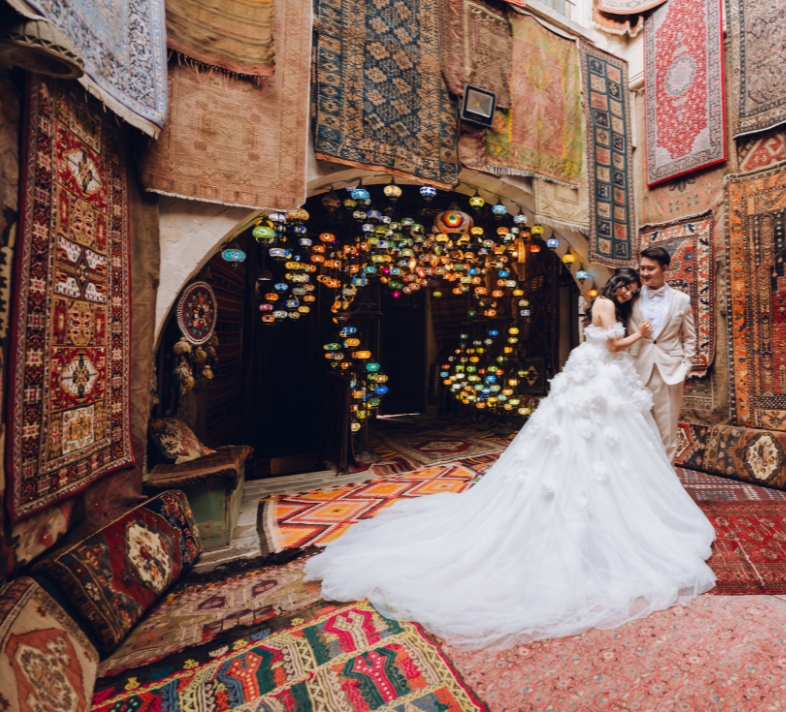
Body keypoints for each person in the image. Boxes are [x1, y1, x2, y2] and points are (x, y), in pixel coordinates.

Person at [304, 267, 716, 650]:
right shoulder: (606, 304)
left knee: (612, 445)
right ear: (613, 287)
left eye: (631, 288)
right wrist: (639, 335)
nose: (627, 291)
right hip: (598, 376)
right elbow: (611, 345)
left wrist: (636, 333)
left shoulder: (617, 305)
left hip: (604, 377)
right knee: (580, 441)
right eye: (623, 285)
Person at [630, 246, 698, 457]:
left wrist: (685, 366)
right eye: (642, 268)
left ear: (665, 268)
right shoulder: (630, 296)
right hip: (635, 370)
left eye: (650, 268)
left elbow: (690, 337)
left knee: (666, 432)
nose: (644, 273)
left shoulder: (681, 300)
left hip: (669, 372)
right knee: (635, 430)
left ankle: (667, 485)